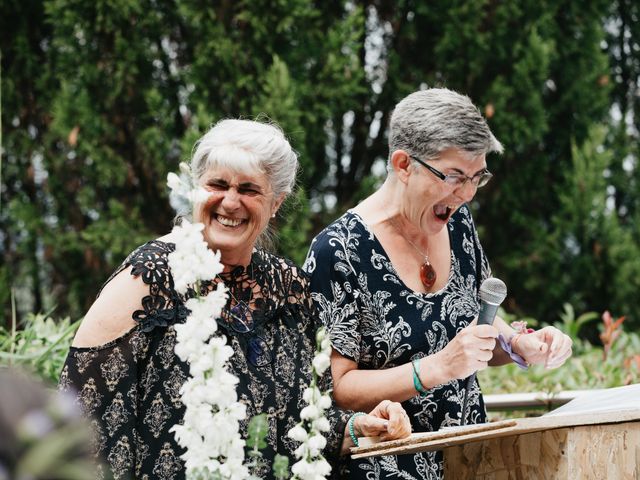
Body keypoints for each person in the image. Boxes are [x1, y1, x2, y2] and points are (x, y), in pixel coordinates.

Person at [58, 119, 411, 480]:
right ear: (196, 190)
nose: (230, 201)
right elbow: (82, 412)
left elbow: (308, 422)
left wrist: (359, 428)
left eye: (248, 189)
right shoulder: (151, 276)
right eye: (218, 184)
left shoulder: (288, 289)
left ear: (276, 203)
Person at [303, 88, 574, 479]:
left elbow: (473, 326)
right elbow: (336, 388)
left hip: (471, 461)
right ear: (402, 164)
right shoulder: (338, 250)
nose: (465, 195)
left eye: (476, 178)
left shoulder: (458, 223)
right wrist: (437, 368)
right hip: (383, 468)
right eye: (453, 176)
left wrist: (517, 345)